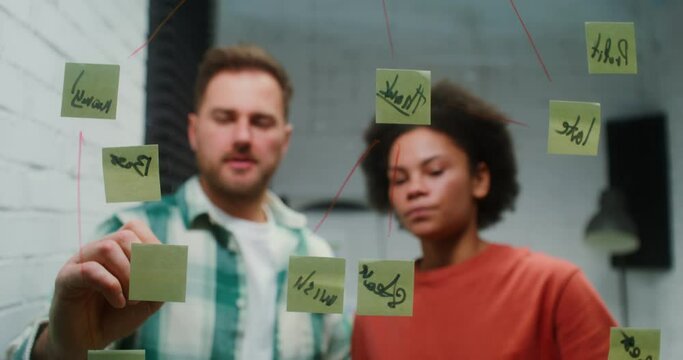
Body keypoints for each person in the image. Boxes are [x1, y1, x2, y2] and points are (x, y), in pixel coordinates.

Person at [8, 45, 349, 360]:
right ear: (193, 131)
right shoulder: (134, 236)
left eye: (261, 122)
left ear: (284, 140)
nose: (243, 137)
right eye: (225, 118)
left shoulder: (314, 254)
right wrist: (61, 348)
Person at [352, 81, 617, 359]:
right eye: (399, 179)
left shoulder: (551, 286)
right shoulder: (378, 300)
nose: (415, 189)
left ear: (479, 179)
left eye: (435, 171)